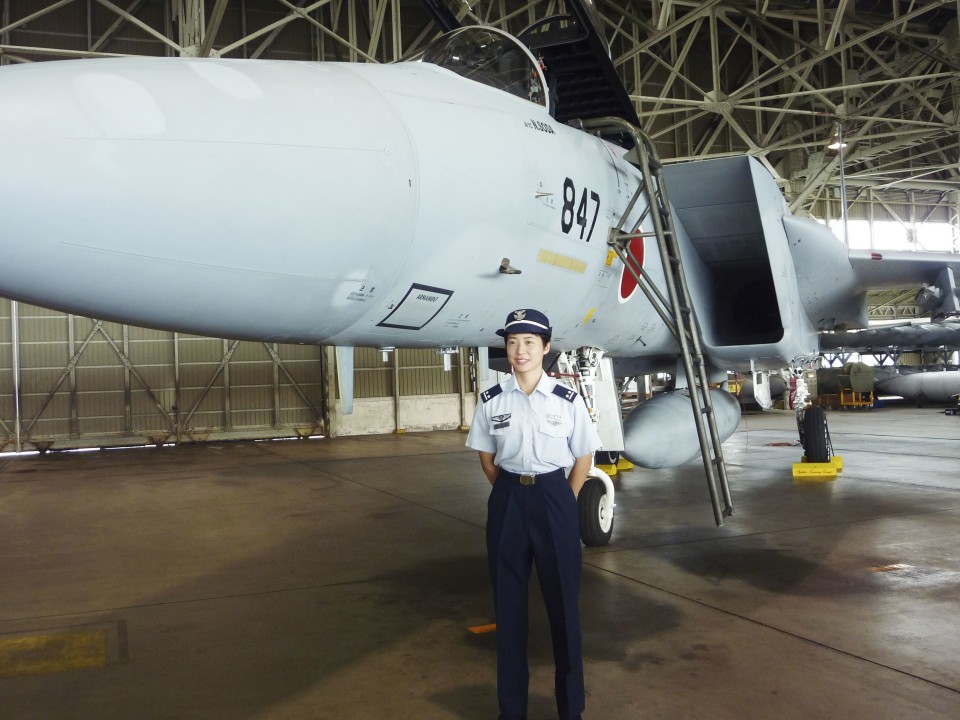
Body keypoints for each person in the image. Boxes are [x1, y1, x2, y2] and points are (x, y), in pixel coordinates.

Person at [466, 308, 602, 720]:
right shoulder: (491, 399)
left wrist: (563, 499)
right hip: (508, 498)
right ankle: (512, 711)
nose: (519, 350)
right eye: (512, 342)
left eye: (528, 342)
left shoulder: (567, 399)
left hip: (553, 497)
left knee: (564, 610)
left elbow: (583, 456)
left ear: (545, 347)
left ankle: (570, 710)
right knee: (508, 611)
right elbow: (486, 457)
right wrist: (511, 491)